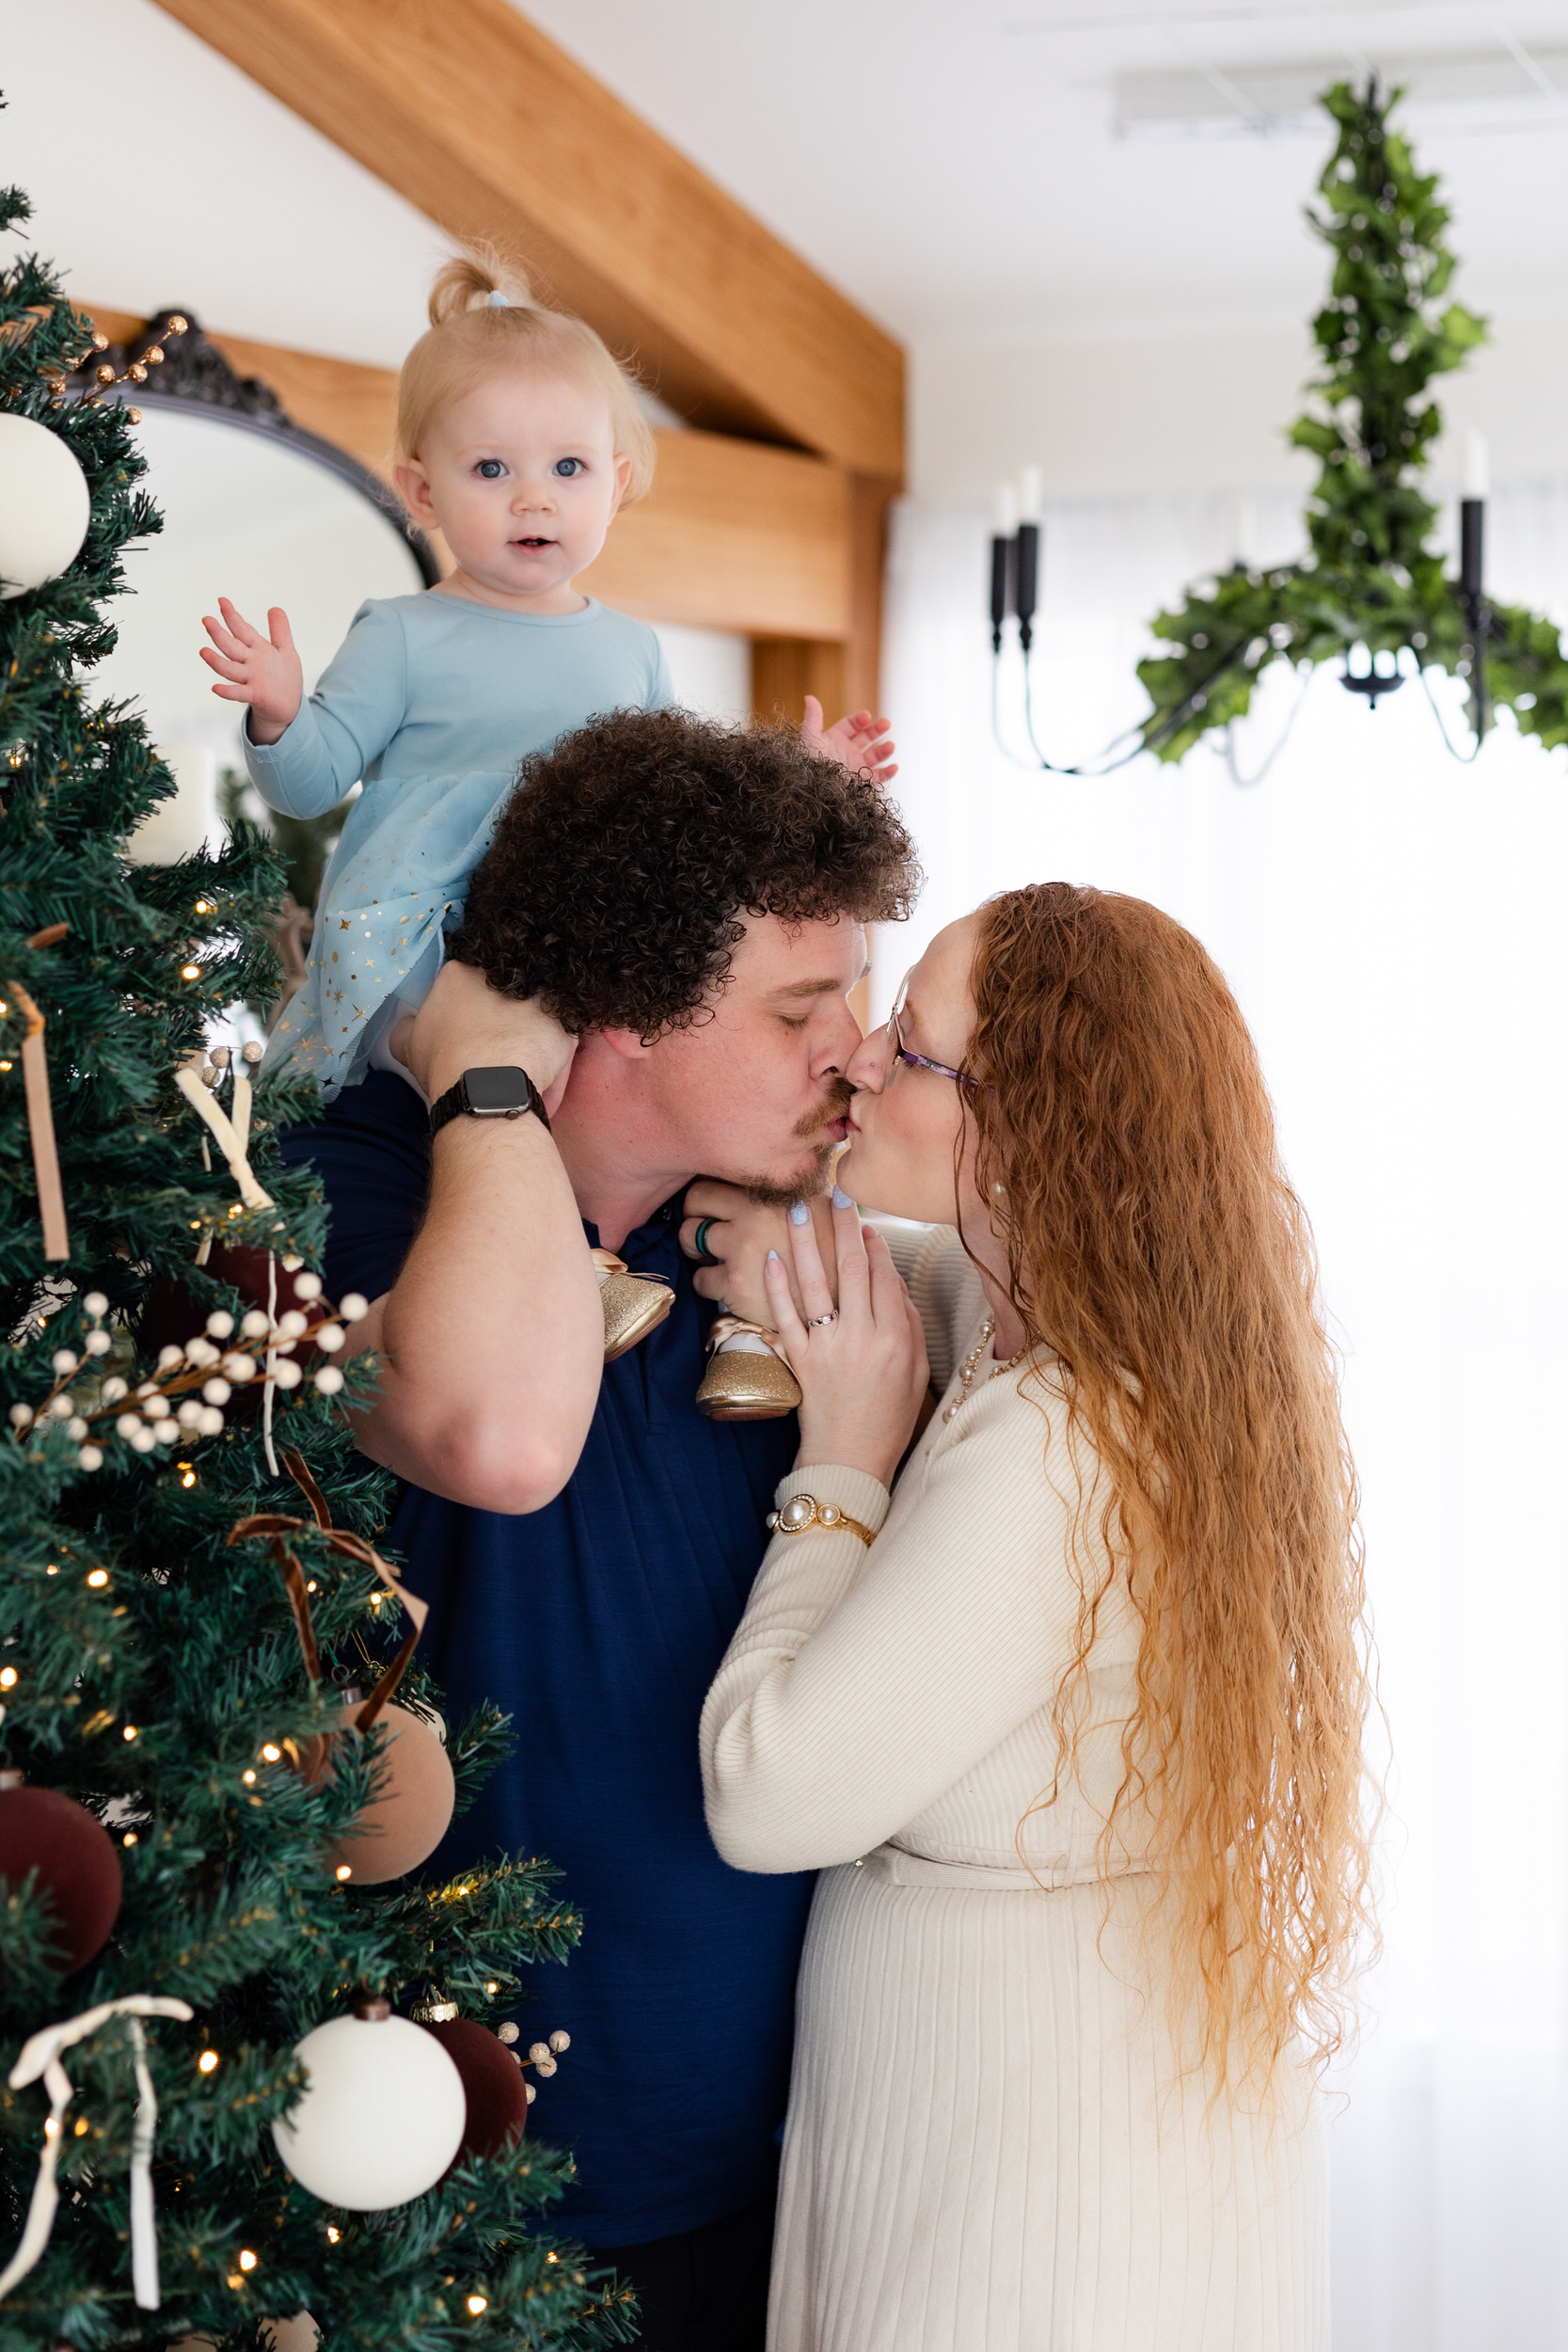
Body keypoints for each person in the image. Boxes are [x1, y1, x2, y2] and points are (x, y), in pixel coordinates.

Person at [278, 706, 921, 2352]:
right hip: (437, 2172)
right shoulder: (350, 1197)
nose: (850, 1049)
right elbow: (493, 1432)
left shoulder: (786, 1262)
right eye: (800, 1007)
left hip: (767, 2172)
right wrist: (485, 1078)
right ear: (623, 1010)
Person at [694, 883, 1376, 2351]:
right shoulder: (1091, 1318)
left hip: (1023, 2154)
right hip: (1042, 2086)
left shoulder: (1063, 1442)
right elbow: (922, 1282)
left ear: (1031, 1121)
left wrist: (840, 1461)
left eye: (909, 1047)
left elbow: (767, 1793)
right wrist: (802, 1250)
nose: (859, 1061)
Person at [199, 247, 893, 1099]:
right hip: (428, 945)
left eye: (569, 468)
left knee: (599, 1092)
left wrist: (802, 784)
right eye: (491, 469)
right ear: (420, 492)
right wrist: (280, 714)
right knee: (440, 1091)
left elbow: (685, 822)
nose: (535, 498)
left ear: (615, 482)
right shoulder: (404, 634)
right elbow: (309, 788)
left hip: (581, 939)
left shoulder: (631, 647)